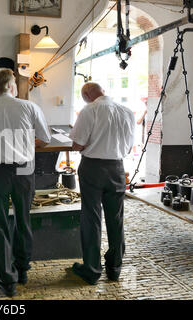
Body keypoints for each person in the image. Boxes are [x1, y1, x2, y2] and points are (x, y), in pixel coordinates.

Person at [0, 68, 51, 297]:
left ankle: (6, 279)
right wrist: (26, 143)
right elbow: (46, 139)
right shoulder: (29, 107)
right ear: (10, 86)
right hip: (24, 169)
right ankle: (23, 268)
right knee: (23, 218)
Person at [68, 82, 135, 285]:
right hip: (117, 167)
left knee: (91, 217)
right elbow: (129, 146)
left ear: (87, 94)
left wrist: (90, 142)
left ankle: (92, 269)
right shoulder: (127, 112)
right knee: (116, 218)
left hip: (93, 168)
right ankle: (115, 268)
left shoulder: (90, 110)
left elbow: (77, 144)